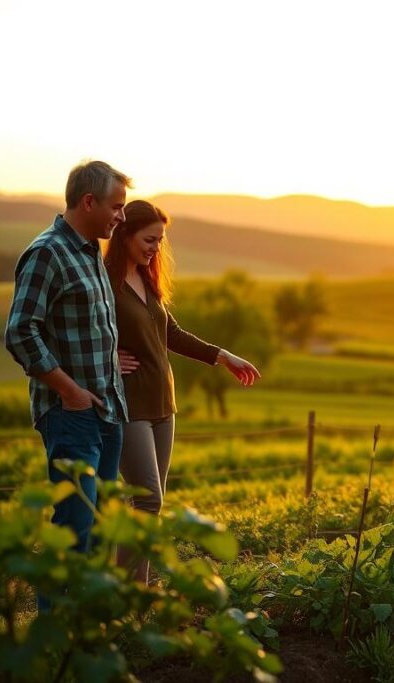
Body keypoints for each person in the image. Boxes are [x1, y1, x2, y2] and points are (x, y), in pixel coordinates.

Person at [106, 199, 261, 583]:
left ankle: (132, 590)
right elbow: (81, 335)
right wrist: (108, 359)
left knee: (149, 504)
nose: (155, 248)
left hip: (163, 401)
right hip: (129, 403)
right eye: (149, 239)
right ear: (124, 233)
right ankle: (124, 592)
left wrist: (222, 356)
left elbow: (170, 333)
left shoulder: (146, 279)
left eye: (160, 241)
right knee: (147, 498)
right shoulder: (102, 283)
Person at [5, 160, 131, 558]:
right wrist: (70, 391)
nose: (122, 216)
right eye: (116, 206)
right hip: (70, 413)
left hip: (108, 410)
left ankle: (89, 619)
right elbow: (20, 331)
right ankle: (58, 619)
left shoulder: (92, 250)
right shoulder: (48, 253)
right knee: (75, 529)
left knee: (100, 531)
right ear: (89, 202)